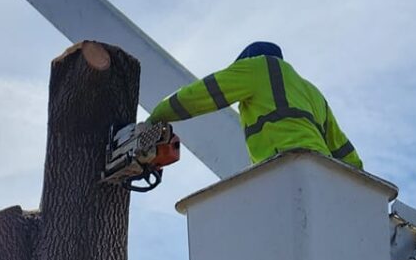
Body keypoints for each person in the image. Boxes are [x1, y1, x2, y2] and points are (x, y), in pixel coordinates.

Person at [146, 43, 362, 171]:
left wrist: (156, 116)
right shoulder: (311, 91)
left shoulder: (257, 68)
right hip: (322, 170)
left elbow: (201, 95)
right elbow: (345, 152)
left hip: (283, 165)